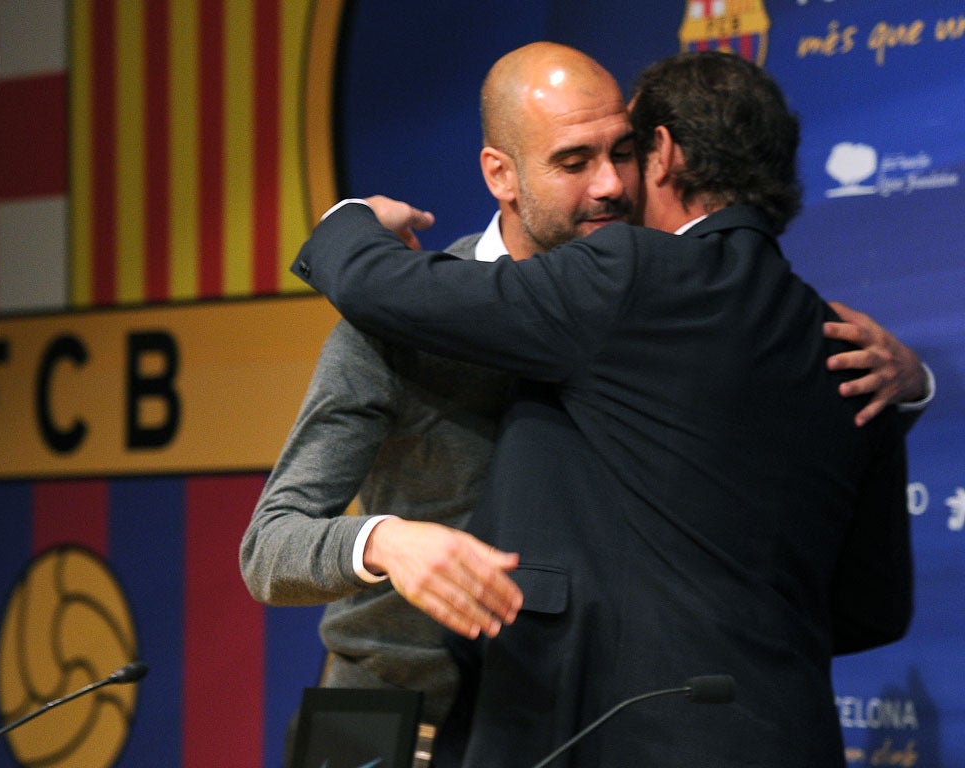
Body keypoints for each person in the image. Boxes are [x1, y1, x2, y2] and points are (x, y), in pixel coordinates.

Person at [289, 50, 921, 767]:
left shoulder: (627, 277)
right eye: (577, 159)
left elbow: (382, 285)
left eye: (624, 153)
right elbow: (874, 610)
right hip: (783, 736)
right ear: (500, 171)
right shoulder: (852, 351)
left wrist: (348, 221)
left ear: (664, 154)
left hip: (588, 726)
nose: (610, 185)